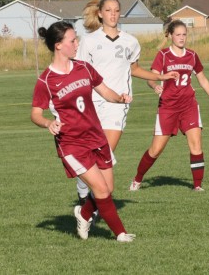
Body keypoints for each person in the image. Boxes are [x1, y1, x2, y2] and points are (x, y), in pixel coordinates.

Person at [31, 21, 136, 242]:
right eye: (72, 40)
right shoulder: (46, 81)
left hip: (96, 136)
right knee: (101, 189)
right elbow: (35, 114)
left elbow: (105, 91)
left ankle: (84, 213)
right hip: (72, 144)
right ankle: (120, 234)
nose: (77, 43)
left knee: (108, 187)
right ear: (58, 45)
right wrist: (47, 123)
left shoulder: (84, 67)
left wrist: (120, 98)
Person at [75, 0, 179, 204]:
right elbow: (80, 72)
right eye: (109, 10)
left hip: (118, 105)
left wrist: (160, 76)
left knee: (105, 154)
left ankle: (90, 205)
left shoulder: (130, 41)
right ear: (100, 14)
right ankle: (84, 191)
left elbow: (135, 69)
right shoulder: (89, 41)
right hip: (93, 104)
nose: (113, 14)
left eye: (116, 10)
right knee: (92, 155)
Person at [129, 19, 209, 192]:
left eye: (184, 34)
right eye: (178, 34)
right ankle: (137, 179)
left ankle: (197, 186)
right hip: (168, 107)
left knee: (196, 145)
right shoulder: (163, 55)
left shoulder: (192, 55)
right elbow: (152, 77)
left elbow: (202, 78)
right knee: (156, 150)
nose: (181, 38)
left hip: (189, 106)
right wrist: (155, 85)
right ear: (171, 36)